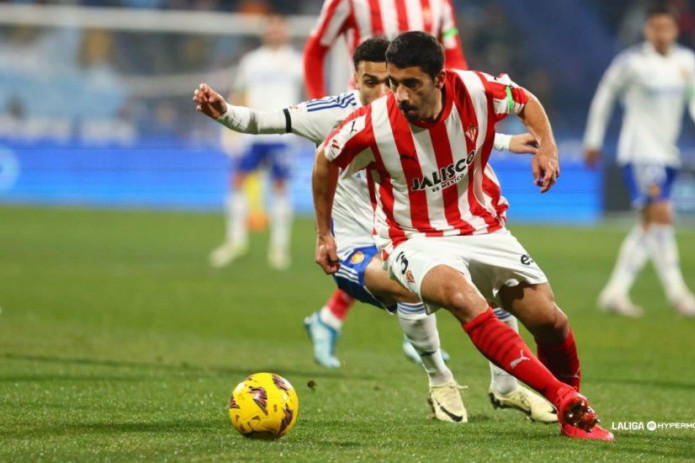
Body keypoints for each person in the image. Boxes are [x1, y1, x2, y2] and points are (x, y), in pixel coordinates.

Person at [193, 38, 557, 424]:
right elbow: (266, 121)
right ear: (355, 81)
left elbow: (450, 129)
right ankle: (440, 381)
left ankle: (505, 387)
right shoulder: (335, 115)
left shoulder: (410, 109)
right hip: (357, 250)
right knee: (408, 283)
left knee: (490, 278)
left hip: (411, 237)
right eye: (372, 82)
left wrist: (503, 141)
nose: (387, 92)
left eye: (392, 81)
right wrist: (226, 113)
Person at [312, 31, 614, 441]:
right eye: (394, 83)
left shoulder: (474, 89)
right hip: (411, 239)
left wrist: (548, 148)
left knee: (550, 321)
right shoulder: (373, 124)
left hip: (481, 226)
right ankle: (562, 398)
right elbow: (325, 160)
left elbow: (526, 100)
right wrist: (324, 234)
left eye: (411, 84)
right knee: (461, 297)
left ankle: (572, 416)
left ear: (440, 79)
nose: (399, 95)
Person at [303, 0, 469, 363]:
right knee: (386, 230)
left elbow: (454, 61)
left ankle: (334, 318)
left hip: (416, 124)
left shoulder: (439, 5)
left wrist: (458, 116)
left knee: (410, 228)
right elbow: (316, 48)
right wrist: (321, 108)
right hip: (368, 126)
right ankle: (414, 318)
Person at [583, 5, 695, 318]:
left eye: (666, 28)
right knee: (662, 215)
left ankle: (615, 292)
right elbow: (604, 97)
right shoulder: (631, 63)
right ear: (647, 30)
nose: (661, 34)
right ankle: (678, 294)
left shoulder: (687, 61)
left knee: (649, 224)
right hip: (639, 151)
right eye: (655, 28)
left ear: (675, 30)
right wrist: (593, 140)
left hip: (667, 152)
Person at [209, 15, 302, 270]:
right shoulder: (252, 61)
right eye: (270, 30)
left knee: (280, 186)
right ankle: (236, 241)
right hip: (252, 132)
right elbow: (240, 92)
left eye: (278, 30)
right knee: (236, 181)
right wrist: (228, 125)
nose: (274, 34)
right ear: (264, 34)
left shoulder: (296, 62)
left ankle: (279, 248)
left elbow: (308, 92)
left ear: (285, 33)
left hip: (283, 133)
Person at [303, 0, 467, 100]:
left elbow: (453, 58)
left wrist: (452, 98)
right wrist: (320, 102)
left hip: (418, 109)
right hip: (365, 110)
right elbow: (314, 52)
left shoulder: (439, 2)